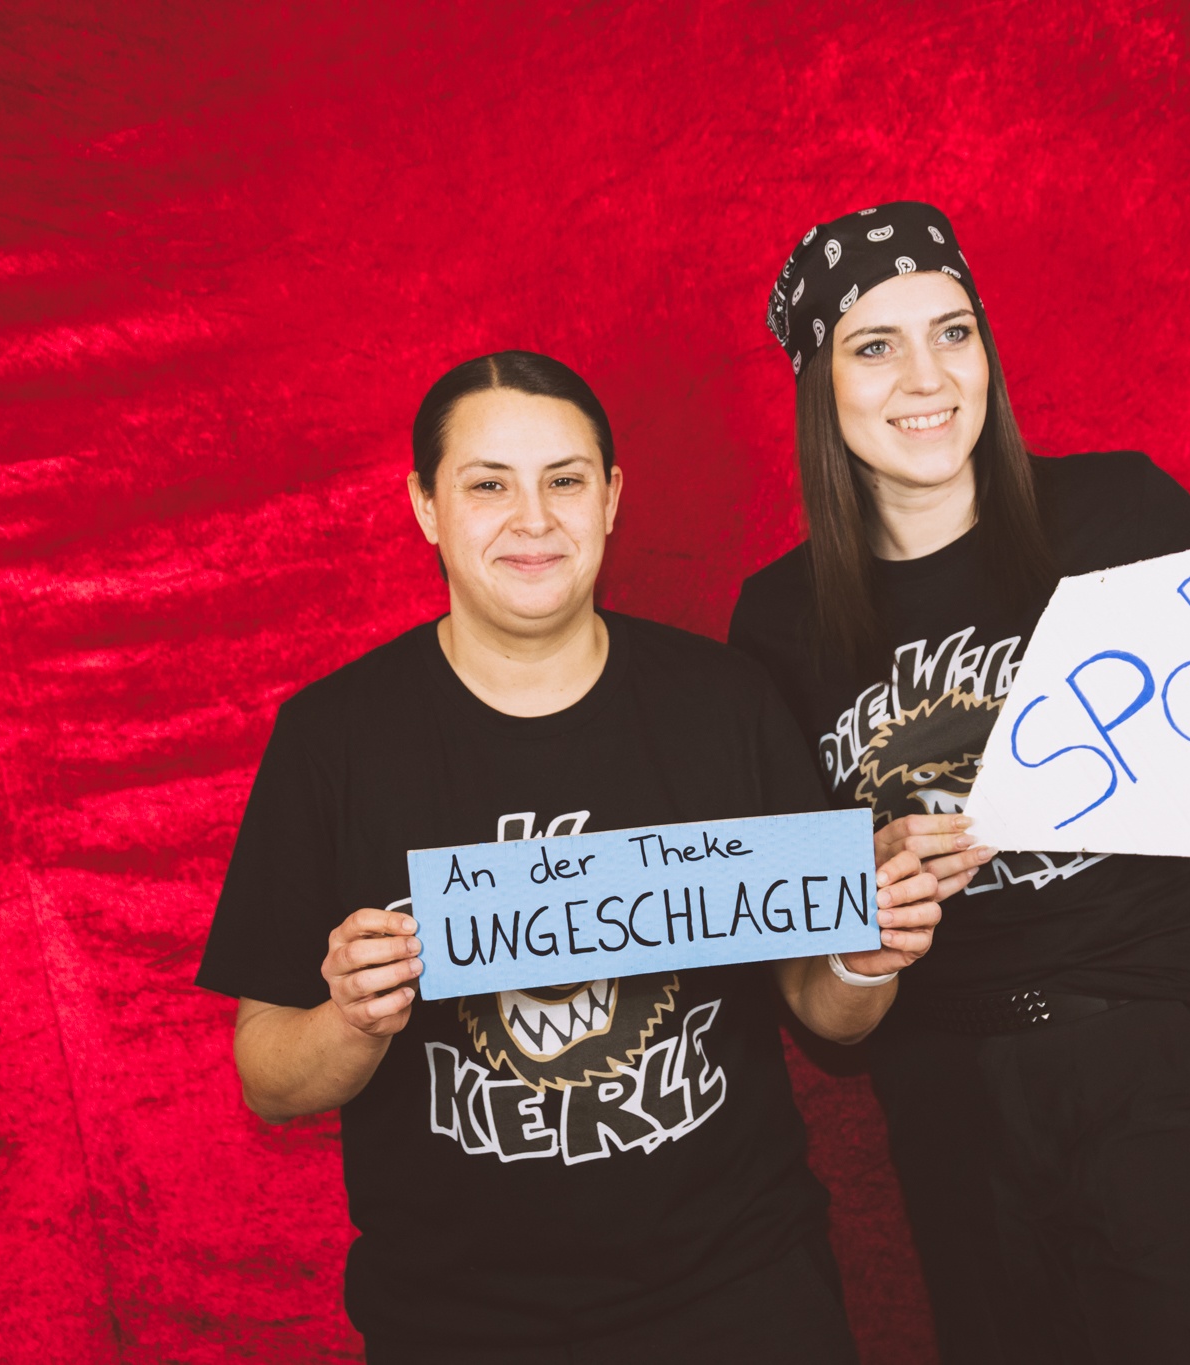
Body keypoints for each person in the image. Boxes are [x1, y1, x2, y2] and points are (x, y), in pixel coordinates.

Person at [728, 203, 1190, 1365]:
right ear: (816, 384)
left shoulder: (1115, 511)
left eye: (953, 331)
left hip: (1165, 1062)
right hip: (951, 1102)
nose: (926, 377)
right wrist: (872, 911)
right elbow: (819, 1010)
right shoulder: (777, 625)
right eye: (874, 345)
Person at [196, 350, 942, 1364]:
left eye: (564, 480)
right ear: (424, 507)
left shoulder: (724, 703)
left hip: (742, 1294)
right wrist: (352, 1021)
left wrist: (865, 959)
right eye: (487, 485)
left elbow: (825, 1008)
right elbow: (268, 1078)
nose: (533, 519)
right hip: (457, 1321)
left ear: (611, 497)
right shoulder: (332, 740)